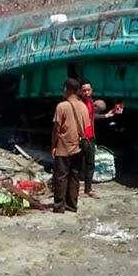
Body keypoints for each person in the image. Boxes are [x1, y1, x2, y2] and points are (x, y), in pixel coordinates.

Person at [78, 80, 123, 198]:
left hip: (91, 137)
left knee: (90, 163)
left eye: (88, 90)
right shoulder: (79, 104)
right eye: (84, 90)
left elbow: (92, 117)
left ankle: (88, 189)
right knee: (79, 163)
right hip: (82, 137)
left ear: (92, 90)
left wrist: (106, 115)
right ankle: (76, 189)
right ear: (80, 92)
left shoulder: (90, 102)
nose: (86, 92)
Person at [51, 78, 89, 213]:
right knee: (74, 177)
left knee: (61, 177)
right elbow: (86, 127)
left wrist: (53, 145)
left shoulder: (61, 106)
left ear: (67, 89)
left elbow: (56, 129)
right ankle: (72, 205)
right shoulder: (83, 106)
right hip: (78, 148)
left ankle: (59, 206)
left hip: (63, 148)